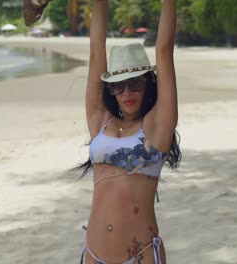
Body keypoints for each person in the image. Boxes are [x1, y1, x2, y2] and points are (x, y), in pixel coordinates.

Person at [72, 0, 181, 263]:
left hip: (140, 254)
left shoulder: (157, 126)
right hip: (93, 254)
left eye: (134, 83)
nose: (126, 93)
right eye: (117, 86)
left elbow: (164, 51)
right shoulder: (101, 121)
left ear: (148, 82)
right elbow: (96, 52)